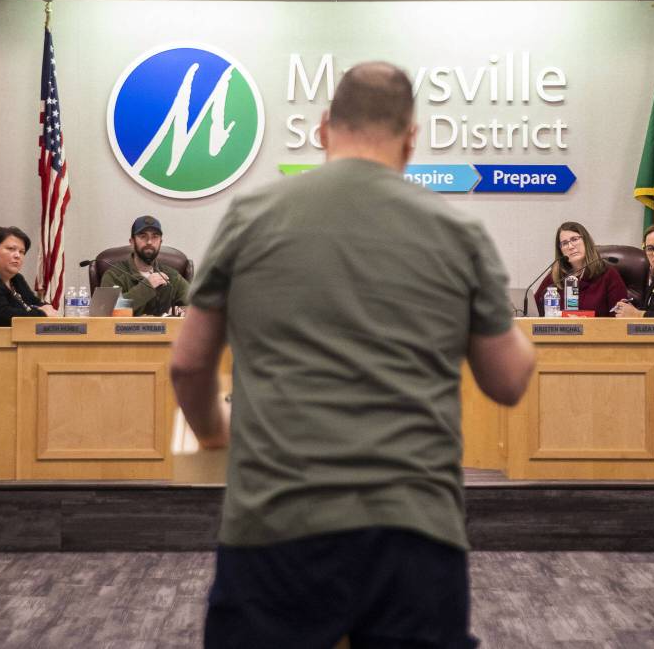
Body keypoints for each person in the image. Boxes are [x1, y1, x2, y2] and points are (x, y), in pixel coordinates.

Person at [171, 61, 537, 649]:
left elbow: (188, 364)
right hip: (415, 529)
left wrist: (214, 432)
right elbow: (508, 379)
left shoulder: (251, 215)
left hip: (276, 524)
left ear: (323, 128)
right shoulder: (458, 231)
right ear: (411, 138)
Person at [99, 215, 190, 316]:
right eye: (143, 236)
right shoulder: (114, 275)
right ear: (132, 242)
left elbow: (196, 305)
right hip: (125, 327)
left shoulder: (172, 276)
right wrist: (147, 287)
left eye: (155, 237)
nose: (149, 242)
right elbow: (105, 310)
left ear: (160, 242)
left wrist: (180, 311)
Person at [534, 221, 629, 317]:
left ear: (586, 241)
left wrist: (587, 322)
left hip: (596, 327)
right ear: (560, 250)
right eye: (565, 243)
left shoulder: (608, 274)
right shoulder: (555, 277)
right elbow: (533, 311)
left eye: (574, 239)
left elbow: (621, 317)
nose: (570, 246)